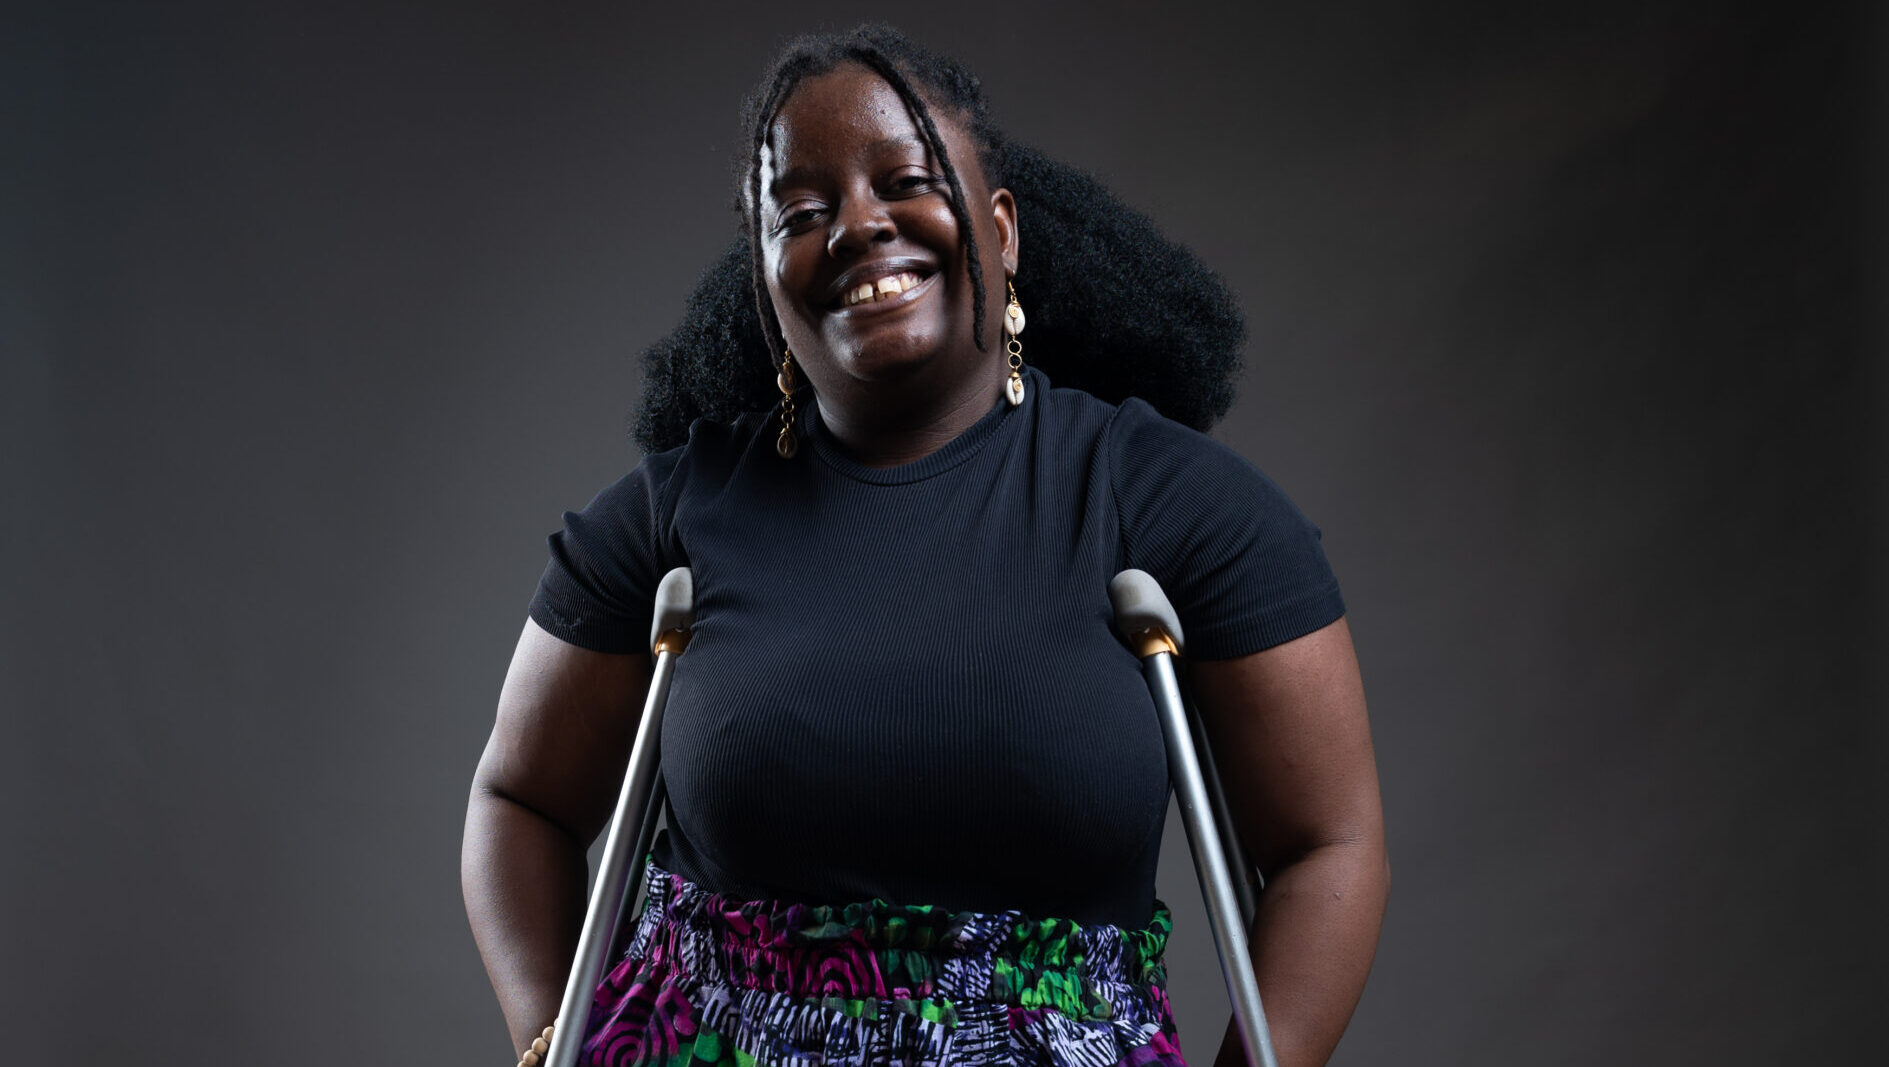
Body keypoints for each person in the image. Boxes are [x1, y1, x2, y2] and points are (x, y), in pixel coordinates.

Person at [462, 24, 1388, 1067]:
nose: (857, 227)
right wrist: (549, 1036)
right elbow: (521, 798)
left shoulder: (1166, 500)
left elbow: (1326, 841)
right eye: (801, 213)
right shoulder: (675, 511)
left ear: (999, 232)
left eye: (904, 180)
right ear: (765, 283)